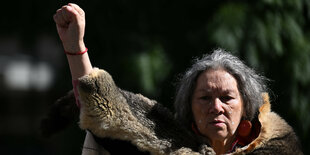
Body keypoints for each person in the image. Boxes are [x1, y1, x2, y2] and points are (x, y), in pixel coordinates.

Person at [53, 3, 303, 155]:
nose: (216, 107)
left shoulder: (278, 149)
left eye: (227, 98)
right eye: (205, 98)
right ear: (189, 108)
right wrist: (75, 46)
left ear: (246, 106)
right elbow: (102, 112)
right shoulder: (162, 146)